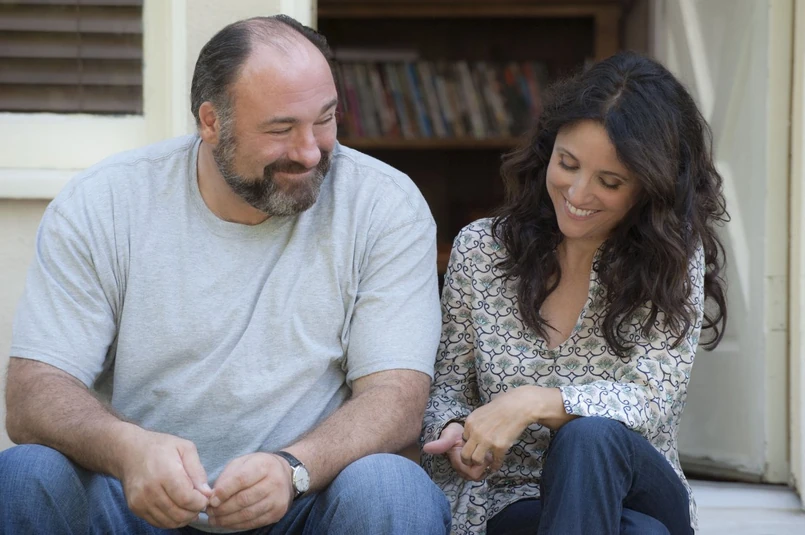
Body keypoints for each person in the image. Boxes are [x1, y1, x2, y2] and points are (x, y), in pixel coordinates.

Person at [0, 15, 450, 535]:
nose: (310, 151)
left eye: (325, 119)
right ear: (211, 122)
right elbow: (34, 394)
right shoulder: (105, 203)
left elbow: (396, 396)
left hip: (305, 500)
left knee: (394, 487)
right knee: (25, 474)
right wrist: (127, 449)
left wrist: (294, 468)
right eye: (281, 129)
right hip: (133, 501)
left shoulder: (384, 205)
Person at [421, 51, 728, 535]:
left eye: (610, 182)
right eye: (567, 164)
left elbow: (651, 401)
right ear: (549, 150)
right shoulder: (481, 250)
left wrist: (532, 402)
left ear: (651, 188)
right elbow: (448, 391)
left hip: (637, 487)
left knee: (590, 437)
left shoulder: (669, 257)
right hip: (514, 496)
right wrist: (456, 432)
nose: (578, 194)